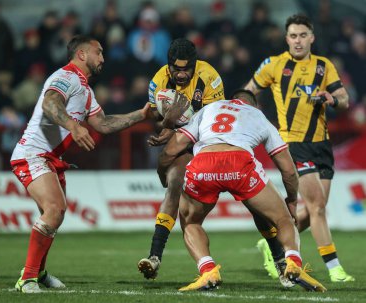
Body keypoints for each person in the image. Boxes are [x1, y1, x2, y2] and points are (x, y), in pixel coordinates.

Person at [10, 35, 153, 293]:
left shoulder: (85, 90)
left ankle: (39, 272)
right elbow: (50, 102)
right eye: (98, 52)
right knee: (55, 208)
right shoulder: (66, 76)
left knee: (56, 214)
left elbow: (104, 124)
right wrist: (73, 126)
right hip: (32, 154)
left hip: (51, 158)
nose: (103, 58)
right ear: (82, 54)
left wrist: (141, 115)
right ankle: (27, 278)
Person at [157, 89, 326, 292]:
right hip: (239, 164)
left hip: (204, 164)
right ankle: (293, 262)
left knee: (191, 222)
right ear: (254, 105)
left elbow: (172, 149)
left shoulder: (210, 108)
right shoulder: (257, 115)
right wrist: (291, 200)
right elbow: (288, 170)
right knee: (283, 220)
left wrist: (162, 173)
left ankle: (208, 270)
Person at [244, 14, 354, 282]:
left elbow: (344, 99)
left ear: (311, 37)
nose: (297, 41)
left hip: (321, 144)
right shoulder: (274, 65)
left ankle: (273, 244)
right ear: (286, 39)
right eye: (293, 36)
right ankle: (334, 267)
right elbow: (247, 94)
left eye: (303, 35)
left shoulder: (323, 66)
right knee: (317, 206)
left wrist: (332, 99)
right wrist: (248, 117)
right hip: (293, 144)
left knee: (315, 208)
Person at [137, 38, 225, 279]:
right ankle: (154, 257)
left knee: (248, 197)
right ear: (169, 66)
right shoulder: (158, 79)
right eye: (177, 69)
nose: (182, 74)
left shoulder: (210, 77)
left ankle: (280, 259)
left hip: (209, 142)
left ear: (195, 65)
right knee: (175, 185)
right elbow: (156, 115)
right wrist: (167, 122)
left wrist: (172, 125)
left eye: (187, 69)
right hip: (182, 143)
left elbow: (214, 121)